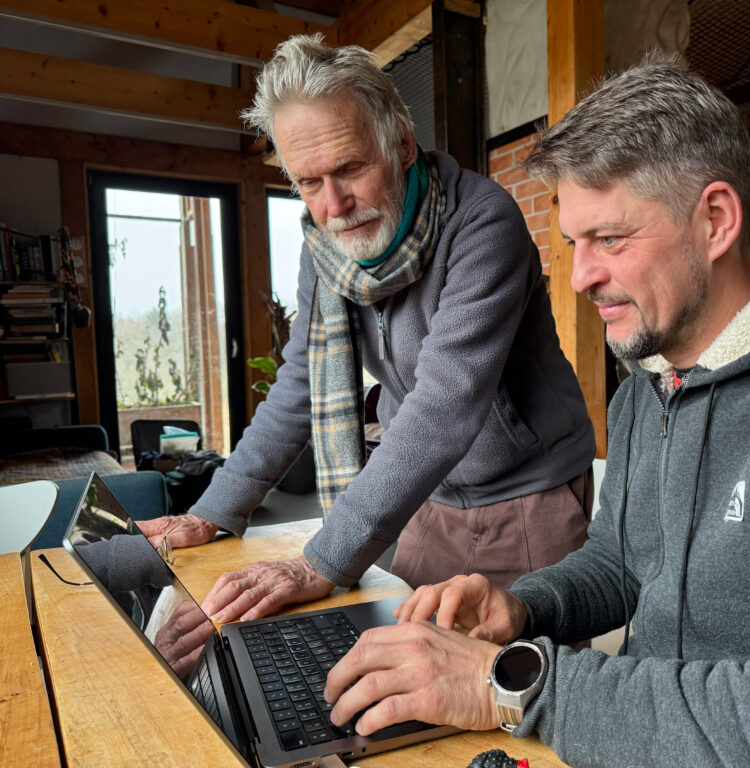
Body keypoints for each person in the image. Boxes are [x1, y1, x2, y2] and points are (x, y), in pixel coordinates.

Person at [320, 55, 750, 767]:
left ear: (716, 221)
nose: (581, 277)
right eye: (574, 244)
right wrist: (525, 608)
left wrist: (513, 685)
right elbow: (623, 564)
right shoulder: (647, 387)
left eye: (610, 239)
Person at [138, 34, 596, 624]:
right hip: (429, 496)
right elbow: (299, 385)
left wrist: (320, 561)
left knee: (517, 674)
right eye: (308, 182)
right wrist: (212, 511)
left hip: (530, 495)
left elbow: (443, 406)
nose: (334, 206)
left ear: (401, 144)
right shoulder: (326, 250)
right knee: (402, 659)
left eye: (350, 168)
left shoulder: (484, 223)